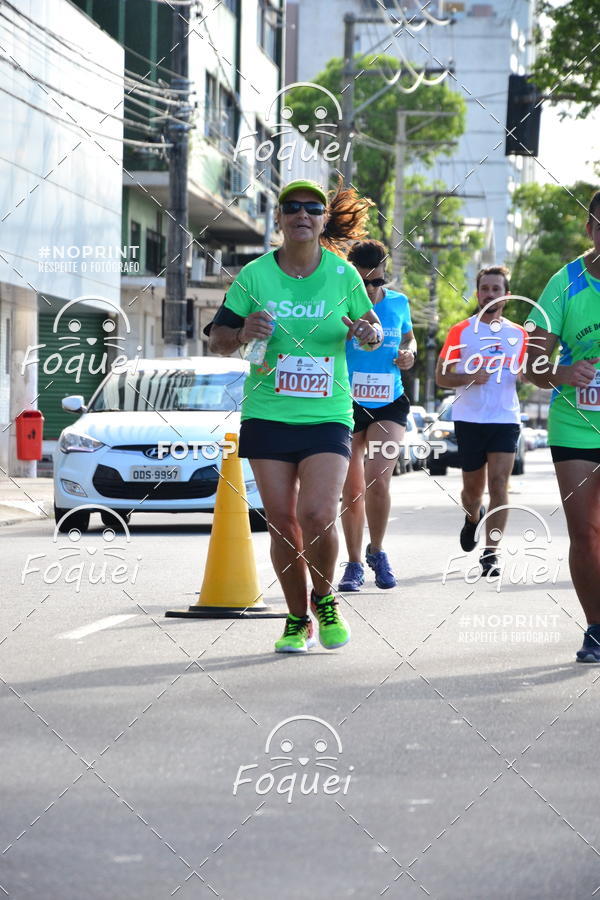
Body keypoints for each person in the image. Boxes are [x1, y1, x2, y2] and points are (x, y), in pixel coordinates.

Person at [208, 179, 384, 653]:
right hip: (268, 413)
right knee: (283, 521)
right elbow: (218, 340)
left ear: (324, 220)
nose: (302, 214)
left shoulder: (344, 276)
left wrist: (368, 333)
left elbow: (370, 331)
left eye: (312, 208)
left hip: (327, 413)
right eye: (293, 207)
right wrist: (242, 330)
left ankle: (325, 599)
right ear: (280, 218)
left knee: (319, 513)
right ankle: (295, 617)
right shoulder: (255, 275)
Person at [524, 190, 600, 661]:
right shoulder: (565, 283)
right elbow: (530, 361)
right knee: (586, 532)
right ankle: (595, 628)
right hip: (575, 425)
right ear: (591, 228)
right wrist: (561, 373)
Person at [435, 266, 527, 576]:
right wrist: (469, 377)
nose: (490, 294)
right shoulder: (460, 331)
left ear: (506, 295)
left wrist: (529, 375)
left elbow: (527, 373)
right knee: (471, 492)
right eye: (485, 288)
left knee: (499, 483)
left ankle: (491, 553)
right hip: (469, 419)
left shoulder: (519, 334)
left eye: (496, 289)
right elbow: (441, 377)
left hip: (505, 418)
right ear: (477, 294)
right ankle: (473, 517)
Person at [338, 239, 416, 591]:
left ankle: (377, 550)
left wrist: (408, 353)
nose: (370, 289)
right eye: (363, 282)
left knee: (378, 479)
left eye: (378, 281)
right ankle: (354, 563)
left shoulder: (399, 303)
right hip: (345, 403)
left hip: (389, 401)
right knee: (351, 489)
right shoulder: (338, 303)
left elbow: (410, 338)